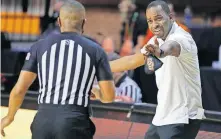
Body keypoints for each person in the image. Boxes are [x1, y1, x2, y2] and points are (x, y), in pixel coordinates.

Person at [1, 1, 115, 139]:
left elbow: (19, 89)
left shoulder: (39, 47)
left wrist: (9, 117)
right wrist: (98, 92)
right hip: (74, 123)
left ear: (59, 21)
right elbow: (109, 97)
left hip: (42, 122)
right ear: (84, 23)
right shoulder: (96, 50)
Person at [110, 1, 204, 139]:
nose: (154, 24)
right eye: (150, 21)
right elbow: (131, 61)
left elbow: (171, 47)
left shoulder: (182, 37)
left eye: (158, 18)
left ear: (171, 17)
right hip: (163, 114)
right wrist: (101, 65)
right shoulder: (155, 40)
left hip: (183, 116)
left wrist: (159, 52)